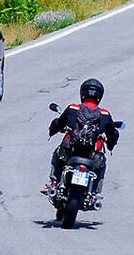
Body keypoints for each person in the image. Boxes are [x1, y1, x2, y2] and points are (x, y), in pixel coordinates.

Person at [48, 78, 121, 206]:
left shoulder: (73, 108)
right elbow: (113, 134)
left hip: (69, 152)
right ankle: (94, 194)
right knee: (102, 164)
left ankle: (54, 184)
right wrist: (110, 145)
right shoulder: (104, 114)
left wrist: (53, 131)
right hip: (92, 157)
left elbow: (58, 123)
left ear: (82, 92)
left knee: (57, 154)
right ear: (99, 96)